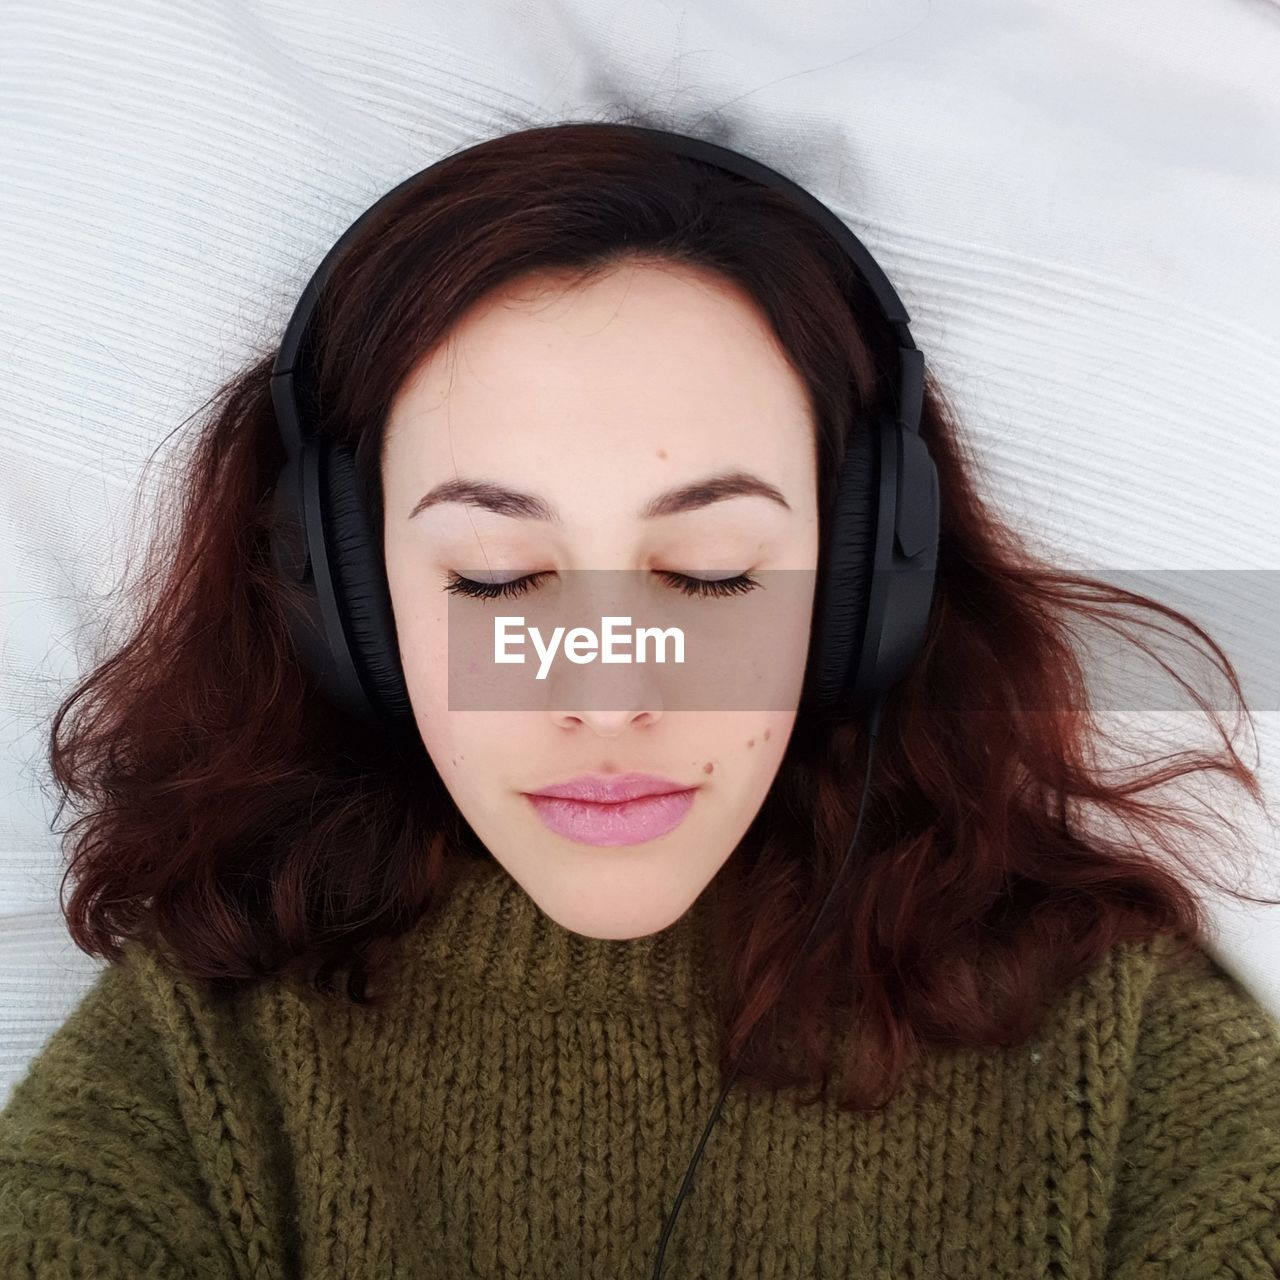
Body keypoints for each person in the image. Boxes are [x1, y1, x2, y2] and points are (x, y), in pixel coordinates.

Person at [1, 116, 1277, 1279]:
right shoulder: (197, 1073)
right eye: (497, 580)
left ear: (864, 582)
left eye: (712, 575)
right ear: (342, 601)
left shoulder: (1132, 1065)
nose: (606, 695)